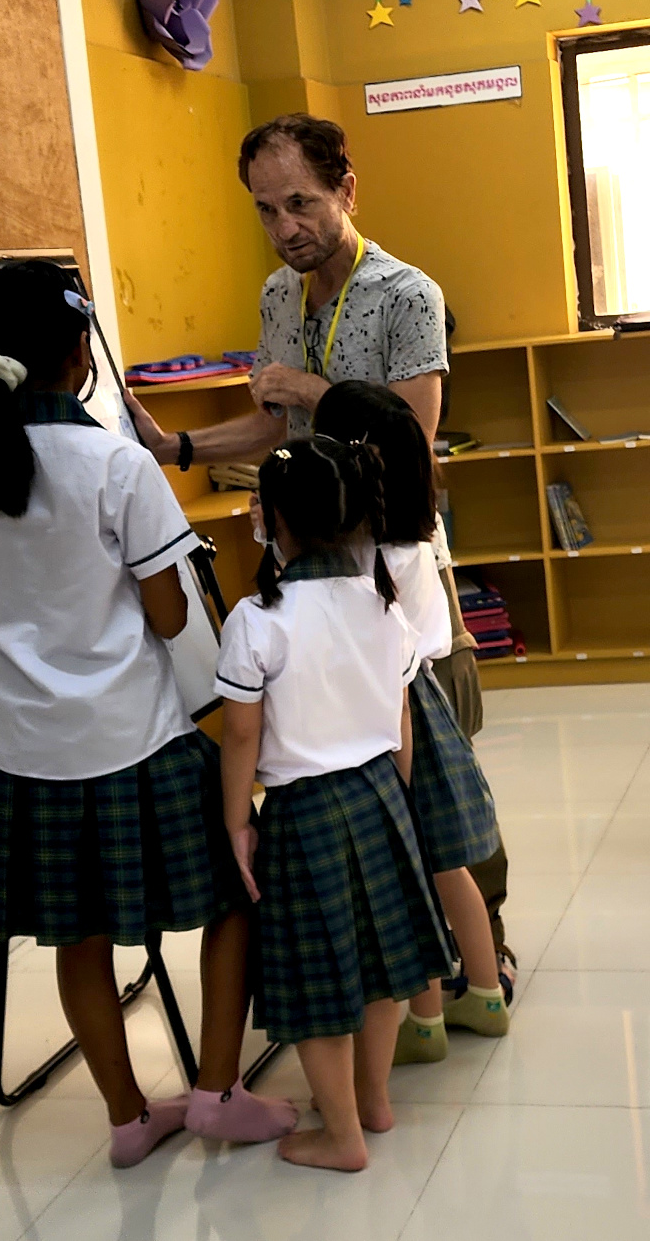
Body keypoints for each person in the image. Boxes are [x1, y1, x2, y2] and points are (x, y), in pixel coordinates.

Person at [0, 260, 297, 1169]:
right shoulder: (116, 463)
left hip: (17, 750)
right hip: (133, 739)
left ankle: (129, 1117)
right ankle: (216, 1090)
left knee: (76, 932)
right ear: (79, 354)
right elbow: (169, 618)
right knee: (237, 890)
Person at [126, 113, 514, 978]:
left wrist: (310, 386)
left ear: (347, 189)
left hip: (394, 563)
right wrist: (177, 446)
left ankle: (487, 944)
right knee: (353, 767)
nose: (284, 227)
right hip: (308, 569)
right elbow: (274, 424)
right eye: (266, 210)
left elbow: (411, 434)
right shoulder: (279, 295)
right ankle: (405, 965)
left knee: (438, 771)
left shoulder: (407, 294)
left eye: (300, 202)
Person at [216, 436, 452, 1172]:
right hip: (380, 794)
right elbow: (402, 718)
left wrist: (237, 822)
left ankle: (343, 1135)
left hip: (304, 810)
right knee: (383, 965)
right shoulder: (382, 604)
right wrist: (402, 804)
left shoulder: (257, 619)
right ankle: (373, 1102)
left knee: (319, 981)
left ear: (275, 520)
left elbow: (241, 734)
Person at [313, 383, 510, 1059]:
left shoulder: (360, 557)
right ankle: (484, 992)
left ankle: (423, 1022)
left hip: (391, 716)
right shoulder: (416, 537)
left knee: (410, 873)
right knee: (448, 866)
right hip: (427, 702)